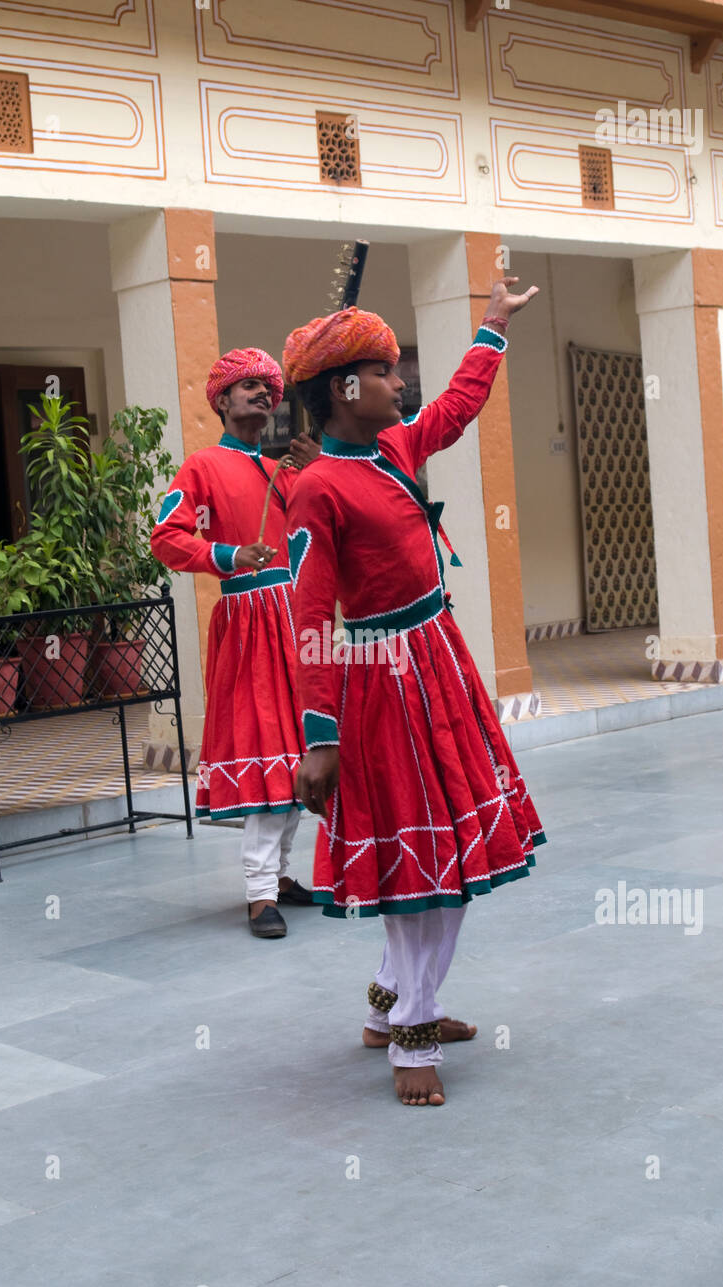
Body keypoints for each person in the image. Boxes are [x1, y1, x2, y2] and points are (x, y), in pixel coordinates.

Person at [284, 279, 546, 1104]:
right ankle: (411, 1037)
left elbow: (458, 409)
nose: (404, 385)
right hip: (381, 683)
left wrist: (492, 328)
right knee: (422, 861)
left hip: (438, 659)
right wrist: (320, 736)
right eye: (388, 371)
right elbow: (309, 616)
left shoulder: (394, 450)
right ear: (343, 388)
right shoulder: (317, 488)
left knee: (450, 850)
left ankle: (396, 1001)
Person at [150, 348, 316, 939]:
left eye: (270, 387)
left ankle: (281, 877)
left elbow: (338, 521)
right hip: (249, 623)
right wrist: (227, 555)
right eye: (247, 386)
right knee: (270, 750)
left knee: (307, 756)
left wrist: (323, 467)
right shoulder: (202, 467)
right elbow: (166, 538)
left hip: (301, 622)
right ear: (221, 400)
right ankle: (258, 894)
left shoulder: (287, 471)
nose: (262, 394)